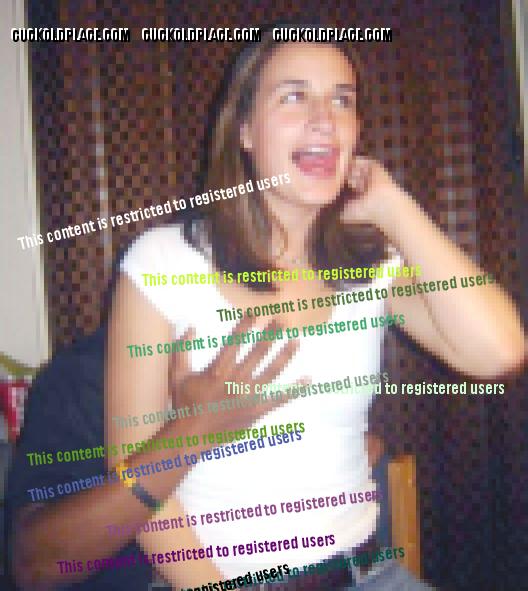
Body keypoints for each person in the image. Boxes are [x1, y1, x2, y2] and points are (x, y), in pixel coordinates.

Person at [9, 28, 526, 591]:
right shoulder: (164, 259)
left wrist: (395, 209)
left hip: (369, 574)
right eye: (294, 96)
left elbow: (499, 353)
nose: (325, 119)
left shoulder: (368, 262)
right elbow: (142, 488)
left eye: (342, 100)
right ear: (245, 131)